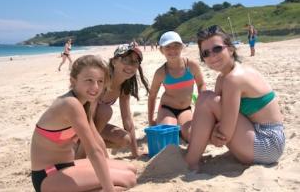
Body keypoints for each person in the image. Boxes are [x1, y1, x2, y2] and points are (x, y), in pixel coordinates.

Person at [184, 25, 285, 171]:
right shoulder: (223, 78)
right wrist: (209, 132)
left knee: (206, 98)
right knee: (204, 102)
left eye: (217, 49)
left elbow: (225, 133)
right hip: (255, 137)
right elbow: (214, 117)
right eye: (205, 53)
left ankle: (190, 162)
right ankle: (192, 156)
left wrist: (210, 135)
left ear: (231, 49)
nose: (212, 55)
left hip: (267, 144)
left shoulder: (234, 78)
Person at [31, 55, 136, 192]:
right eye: (89, 80)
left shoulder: (84, 102)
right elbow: (92, 151)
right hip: (48, 175)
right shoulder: (70, 104)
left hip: (68, 165)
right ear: (73, 81)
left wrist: (107, 164)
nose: (95, 87)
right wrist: (108, 188)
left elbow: (97, 140)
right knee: (128, 179)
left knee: (130, 169)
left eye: (100, 81)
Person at [77, 44, 149, 159]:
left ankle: (85, 147)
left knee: (124, 139)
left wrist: (135, 153)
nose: (130, 65)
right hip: (76, 123)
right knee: (105, 111)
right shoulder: (101, 81)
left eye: (135, 62)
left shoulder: (124, 87)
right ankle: (80, 155)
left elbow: (127, 119)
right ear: (114, 61)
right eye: (126, 60)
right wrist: (104, 156)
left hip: (94, 126)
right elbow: (88, 117)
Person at [147, 31, 206, 141]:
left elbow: (201, 84)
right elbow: (152, 95)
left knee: (191, 137)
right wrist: (151, 121)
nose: (172, 50)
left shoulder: (191, 65)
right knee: (168, 138)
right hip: (167, 109)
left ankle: (179, 127)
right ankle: (168, 122)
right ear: (161, 50)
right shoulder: (161, 72)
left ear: (182, 47)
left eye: (176, 46)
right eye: (168, 47)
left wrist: (202, 104)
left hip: (185, 109)